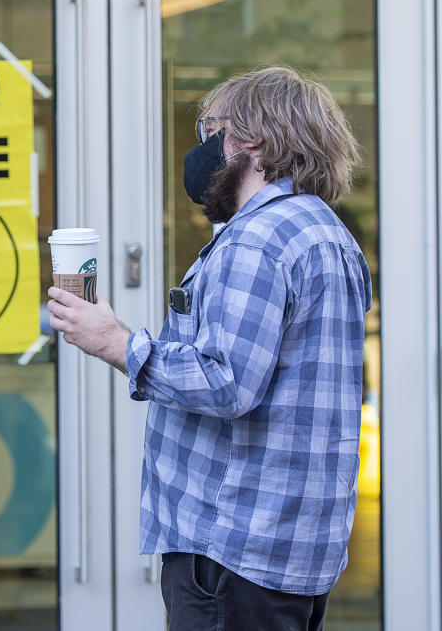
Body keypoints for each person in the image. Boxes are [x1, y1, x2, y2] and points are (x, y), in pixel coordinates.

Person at [48, 66, 371, 631]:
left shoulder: (258, 238)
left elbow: (226, 381)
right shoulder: (326, 231)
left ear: (251, 140)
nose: (199, 150)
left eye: (209, 129)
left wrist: (116, 342)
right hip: (292, 546)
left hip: (234, 545)